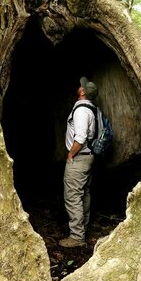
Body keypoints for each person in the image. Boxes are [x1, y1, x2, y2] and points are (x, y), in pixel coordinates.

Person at [59, 77, 98, 248]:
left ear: (82, 92)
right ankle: (84, 228)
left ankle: (77, 236)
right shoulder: (91, 109)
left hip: (80, 158)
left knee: (73, 195)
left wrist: (70, 154)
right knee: (84, 193)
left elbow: (80, 137)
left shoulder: (81, 111)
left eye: (81, 86)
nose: (79, 86)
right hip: (88, 157)